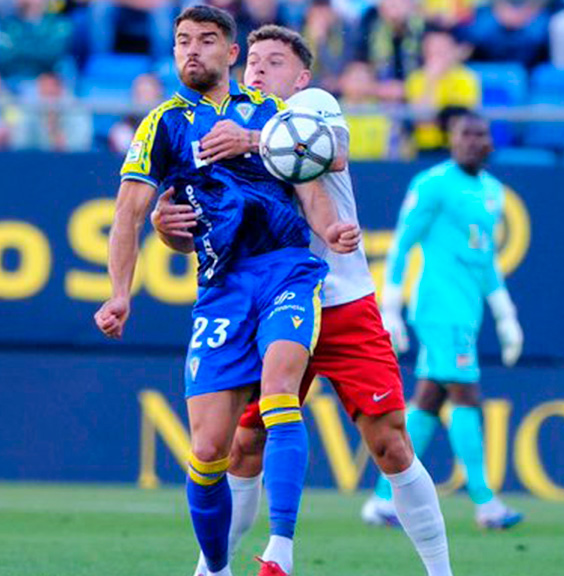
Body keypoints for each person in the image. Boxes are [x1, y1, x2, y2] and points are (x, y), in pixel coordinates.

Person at [152, 24, 455, 576]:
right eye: (254, 61)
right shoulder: (223, 123)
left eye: (275, 62)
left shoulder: (311, 106)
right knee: (243, 446)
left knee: (389, 442)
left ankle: (440, 571)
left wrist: (251, 140)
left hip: (340, 300)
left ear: (302, 77)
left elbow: (333, 153)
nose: (260, 70)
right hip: (269, 299)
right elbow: (208, 226)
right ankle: (211, 568)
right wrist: (165, 227)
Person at [92, 6, 359, 576]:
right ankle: (215, 568)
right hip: (221, 288)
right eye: (182, 41)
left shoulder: (271, 112)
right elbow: (129, 213)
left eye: (206, 40)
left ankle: (281, 549)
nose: (192, 50)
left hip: (285, 270)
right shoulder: (162, 124)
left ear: (231, 53)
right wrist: (119, 293)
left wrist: (332, 228)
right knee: (210, 449)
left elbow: (311, 186)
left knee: (281, 389)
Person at [363, 111, 526, 530]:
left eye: (480, 134)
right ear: (451, 140)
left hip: (467, 311)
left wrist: (505, 315)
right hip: (438, 308)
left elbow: (485, 259)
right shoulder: (432, 184)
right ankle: (486, 502)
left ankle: (382, 499)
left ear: (490, 142)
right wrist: (390, 307)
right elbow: (403, 244)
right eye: (464, 134)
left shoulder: (493, 192)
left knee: (428, 402)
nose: (473, 141)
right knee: (466, 395)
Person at [404, 26, 480, 151]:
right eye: (433, 49)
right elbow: (421, 119)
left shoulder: (466, 78)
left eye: (442, 49)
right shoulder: (416, 79)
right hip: (424, 148)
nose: (438, 55)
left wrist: (436, 119)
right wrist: (431, 82)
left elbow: (460, 120)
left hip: (457, 148)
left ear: (452, 50)